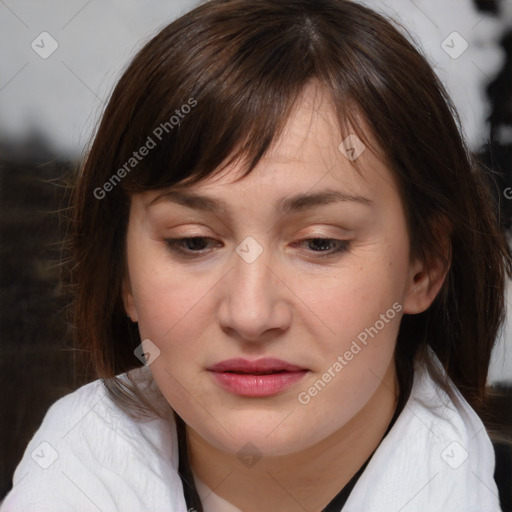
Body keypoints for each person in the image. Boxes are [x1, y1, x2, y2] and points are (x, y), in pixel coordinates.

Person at [2, 0, 510, 511]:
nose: (250, 314)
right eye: (193, 242)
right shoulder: (64, 476)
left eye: (320, 243)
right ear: (125, 278)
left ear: (423, 268)